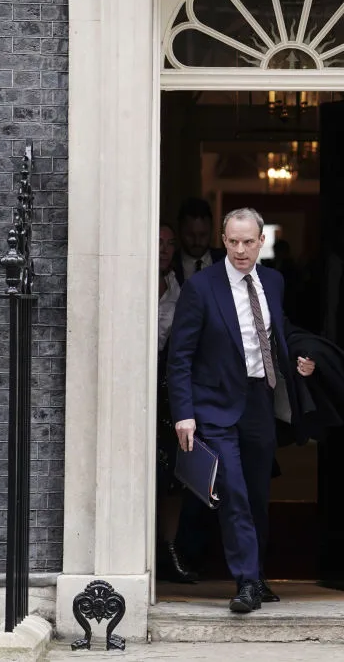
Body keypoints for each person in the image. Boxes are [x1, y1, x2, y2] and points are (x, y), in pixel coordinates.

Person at [167, 207, 316, 613]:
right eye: (232, 241)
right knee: (231, 490)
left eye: (248, 242)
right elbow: (179, 356)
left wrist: (300, 356)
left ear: (261, 240)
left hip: (259, 401)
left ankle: (258, 574)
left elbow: (277, 329)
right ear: (223, 238)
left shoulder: (273, 281)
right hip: (214, 405)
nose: (240, 250)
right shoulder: (201, 287)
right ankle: (247, 581)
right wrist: (184, 412)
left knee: (256, 493)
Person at [154, 224, 199, 583]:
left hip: (169, 388)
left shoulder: (179, 285)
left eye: (170, 243)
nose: (166, 249)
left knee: (174, 477)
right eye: (159, 242)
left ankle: (169, 550)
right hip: (138, 386)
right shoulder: (134, 283)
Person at [172, 197, 225, 285]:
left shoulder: (228, 261)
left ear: (212, 231)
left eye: (203, 235)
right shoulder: (168, 263)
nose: (197, 241)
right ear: (180, 231)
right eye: (190, 235)